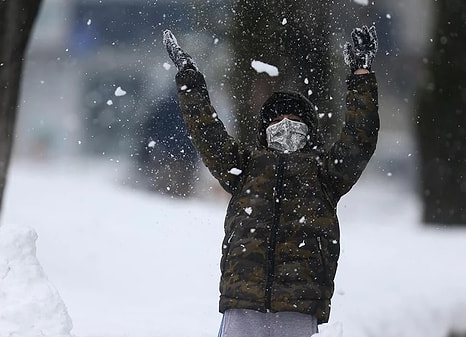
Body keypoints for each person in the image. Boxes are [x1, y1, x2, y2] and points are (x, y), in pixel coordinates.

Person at [162, 25, 379, 337]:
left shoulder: (325, 174)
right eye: (276, 120)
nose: (285, 126)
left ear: (310, 130)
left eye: (295, 120)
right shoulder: (244, 166)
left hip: (300, 304)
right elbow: (208, 133)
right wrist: (189, 80)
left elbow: (360, 138)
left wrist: (361, 75)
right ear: (263, 131)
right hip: (244, 302)